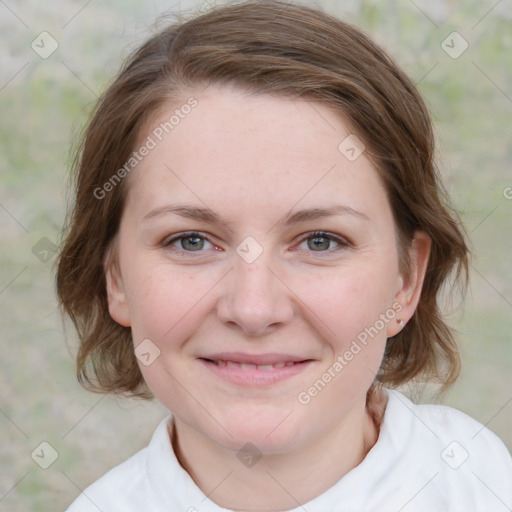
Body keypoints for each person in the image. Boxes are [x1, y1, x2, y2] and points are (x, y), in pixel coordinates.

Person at [56, 1, 512, 510]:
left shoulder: (479, 479)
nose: (254, 310)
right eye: (191, 240)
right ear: (115, 277)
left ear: (407, 279)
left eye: (320, 240)